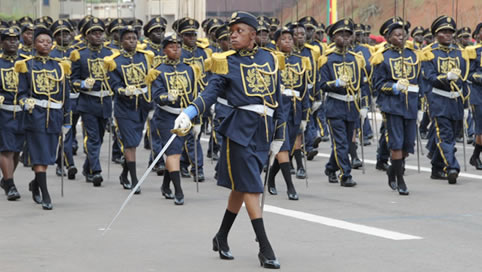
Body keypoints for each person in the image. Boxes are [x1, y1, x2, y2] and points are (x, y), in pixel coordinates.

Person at [173, 11, 283, 269]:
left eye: (239, 31)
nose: (232, 35)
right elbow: (210, 92)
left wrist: (280, 133)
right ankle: (265, 247)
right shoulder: (225, 61)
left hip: (263, 130)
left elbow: (280, 100)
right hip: (239, 131)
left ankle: (221, 237)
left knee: (241, 187)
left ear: (253, 35)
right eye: (231, 31)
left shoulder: (270, 58)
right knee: (252, 187)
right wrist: (188, 113)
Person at [16, 27, 71, 210]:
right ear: (34, 44)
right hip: (36, 116)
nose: (45, 44)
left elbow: (65, 96)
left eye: (48, 41)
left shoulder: (59, 65)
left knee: (48, 156)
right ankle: (45, 194)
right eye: (41, 41)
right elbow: (20, 93)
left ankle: (35, 184)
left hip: (54, 116)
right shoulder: (27, 64)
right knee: (39, 157)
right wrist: (26, 102)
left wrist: (67, 120)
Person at [371, 19, 422, 195]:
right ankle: (400, 180)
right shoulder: (382, 57)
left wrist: (421, 104)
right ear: (388, 37)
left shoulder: (414, 55)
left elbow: (419, 81)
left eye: (403, 34)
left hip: (411, 105)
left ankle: (393, 170)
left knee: (408, 145)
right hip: (392, 105)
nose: (401, 38)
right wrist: (393, 87)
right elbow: (377, 84)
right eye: (396, 35)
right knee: (396, 144)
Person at [149, 34, 201, 205]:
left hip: (186, 116)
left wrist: (197, 120)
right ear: (164, 50)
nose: (176, 49)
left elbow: (195, 95)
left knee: (178, 152)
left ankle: (165, 185)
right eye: (172, 47)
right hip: (166, 117)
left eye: (178, 46)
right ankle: (178, 190)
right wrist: (167, 97)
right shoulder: (158, 71)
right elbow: (156, 96)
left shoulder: (190, 69)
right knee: (174, 153)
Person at [319, 18, 369, 187]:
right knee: (340, 143)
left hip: (352, 106)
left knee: (347, 143)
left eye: (348, 34)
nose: (346, 37)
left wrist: (364, 105)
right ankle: (345, 175)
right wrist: (337, 83)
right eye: (341, 34)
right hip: (335, 106)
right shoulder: (327, 59)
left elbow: (363, 84)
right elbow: (322, 85)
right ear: (333, 38)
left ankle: (331, 167)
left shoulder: (357, 59)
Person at [105, 25, 154, 194]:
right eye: (128, 38)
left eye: (134, 38)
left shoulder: (145, 57)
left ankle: (124, 174)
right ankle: (134, 179)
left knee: (134, 142)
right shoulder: (114, 60)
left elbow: (151, 77)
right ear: (121, 41)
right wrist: (123, 90)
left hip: (142, 105)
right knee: (129, 143)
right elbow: (113, 83)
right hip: (124, 107)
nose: (131, 41)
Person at [422, 15, 470, 184]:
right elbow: (430, 77)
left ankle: (436, 166)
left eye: (450, 32)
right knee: (445, 136)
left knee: (453, 134)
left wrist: (465, 103)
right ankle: (452, 167)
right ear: (436, 34)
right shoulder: (429, 54)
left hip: (456, 101)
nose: (448, 35)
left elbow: (464, 79)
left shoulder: (460, 53)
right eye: (444, 32)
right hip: (439, 101)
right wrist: (446, 77)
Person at [70, 17, 115, 186]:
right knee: (93, 137)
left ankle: (87, 166)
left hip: (105, 101)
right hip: (88, 101)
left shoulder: (110, 53)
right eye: (93, 33)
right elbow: (72, 79)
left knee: (101, 137)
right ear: (86, 36)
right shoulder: (79, 54)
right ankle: (96, 171)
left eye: (100, 32)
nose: (98, 36)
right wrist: (81, 83)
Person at [267, 27, 310, 201]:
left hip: (295, 109)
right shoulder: (271, 60)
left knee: (288, 150)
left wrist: (305, 115)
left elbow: (305, 89)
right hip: (279, 108)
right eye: (283, 39)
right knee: (282, 148)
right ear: (276, 42)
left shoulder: (301, 61)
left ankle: (269, 179)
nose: (288, 42)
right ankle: (290, 187)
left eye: (290, 39)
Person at [50, 19, 78, 180]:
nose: (64, 37)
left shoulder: (76, 52)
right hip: (60, 99)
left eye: (67, 33)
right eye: (60, 34)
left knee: (71, 132)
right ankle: (69, 163)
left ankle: (62, 162)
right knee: (65, 133)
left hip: (79, 97)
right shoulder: (52, 54)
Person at [0, 27, 26, 201]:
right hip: (4, 112)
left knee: (17, 150)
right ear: (2, 42)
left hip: (23, 112)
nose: (13, 42)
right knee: (7, 149)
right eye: (8, 39)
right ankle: (10, 184)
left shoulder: (26, 61)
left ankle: (6, 179)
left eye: (16, 39)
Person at [468, 31, 482, 169]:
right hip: (479, 94)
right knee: (481, 128)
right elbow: (469, 73)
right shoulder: (474, 51)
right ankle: (476, 156)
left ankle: (475, 156)